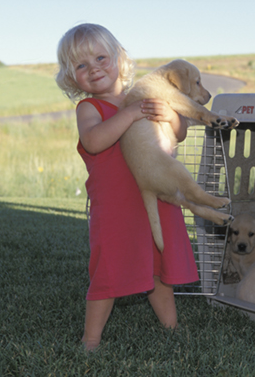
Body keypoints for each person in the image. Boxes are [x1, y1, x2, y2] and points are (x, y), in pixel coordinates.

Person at [55, 23, 199, 351]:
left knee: (159, 270)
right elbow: (94, 142)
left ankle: (173, 329)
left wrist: (172, 117)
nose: (94, 69)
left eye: (101, 58)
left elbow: (178, 134)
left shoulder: (146, 98)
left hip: (156, 199)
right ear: (71, 77)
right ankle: (90, 341)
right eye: (81, 65)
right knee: (106, 273)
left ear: (119, 59)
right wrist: (132, 113)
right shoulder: (90, 109)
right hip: (117, 208)